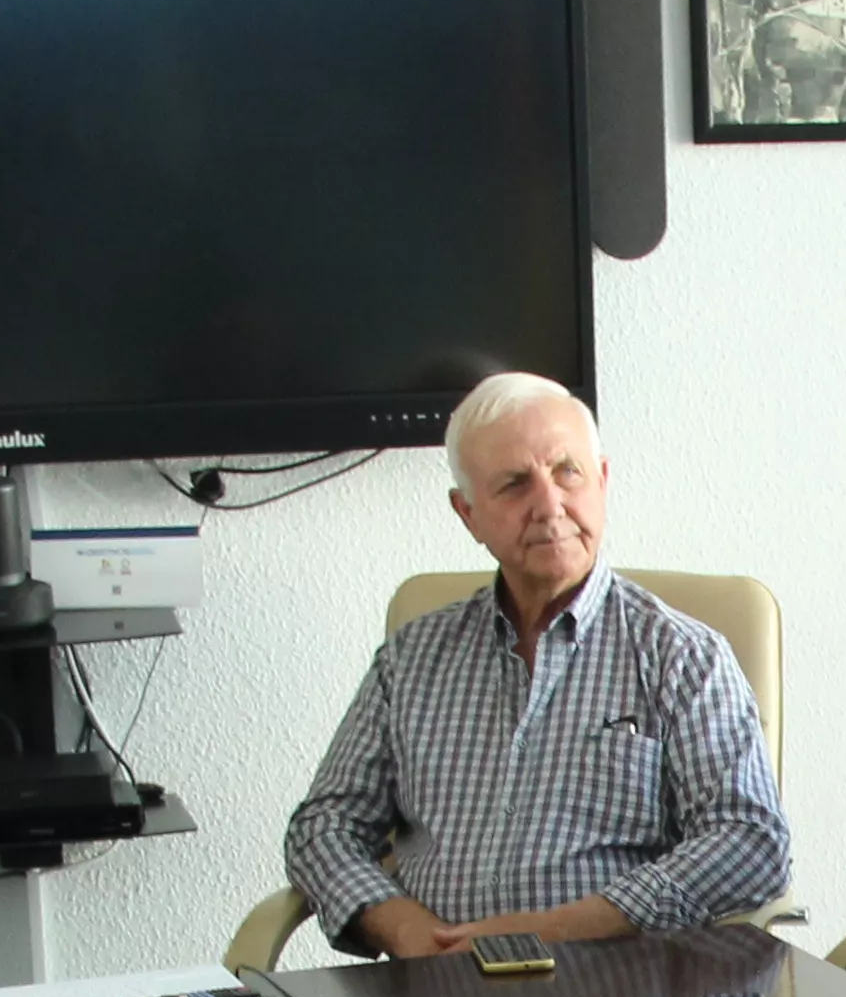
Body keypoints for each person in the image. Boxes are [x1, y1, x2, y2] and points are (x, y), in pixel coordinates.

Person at [282, 372, 789, 959]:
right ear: (467, 513)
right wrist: (405, 931)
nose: (549, 505)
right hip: (435, 991)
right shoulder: (413, 658)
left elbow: (750, 841)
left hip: (616, 995)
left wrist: (560, 929)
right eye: (515, 484)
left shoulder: (682, 656)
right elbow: (324, 828)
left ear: (602, 480)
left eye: (567, 472)